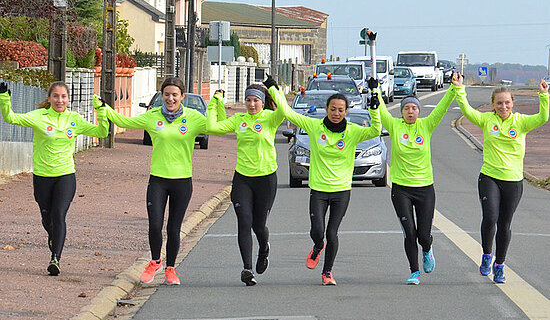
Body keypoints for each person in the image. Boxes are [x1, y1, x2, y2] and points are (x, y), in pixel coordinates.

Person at [97, 77, 221, 286]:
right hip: (158, 180)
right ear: (161, 96)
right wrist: (103, 108)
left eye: (175, 95)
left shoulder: (194, 118)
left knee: (174, 228)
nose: (170, 99)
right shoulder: (152, 117)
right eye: (166, 94)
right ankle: (155, 262)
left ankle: (171, 269)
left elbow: (216, 127)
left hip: (182, 181)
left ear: (182, 96)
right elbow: (123, 121)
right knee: (155, 225)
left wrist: (216, 103)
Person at [267, 76, 381, 286]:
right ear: (327, 109)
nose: (336, 113)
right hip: (318, 190)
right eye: (333, 109)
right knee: (318, 232)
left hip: (341, 191)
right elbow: (288, 113)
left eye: (340, 110)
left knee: (332, 232)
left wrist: (375, 103)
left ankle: (327, 272)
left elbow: (375, 131)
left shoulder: (353, 132)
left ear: (346, 111)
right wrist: (274, 89)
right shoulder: (314, 126)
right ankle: (318, 246)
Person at [0, 81, 109, 276]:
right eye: (56, 96)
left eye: (63, 96)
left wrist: (101, 111)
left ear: (68, 99)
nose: (60, 100)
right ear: (49, 98)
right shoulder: (39, 117)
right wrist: (4, 98)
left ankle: (55, 258)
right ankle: (54, 237)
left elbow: (101, 132)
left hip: (65, 175)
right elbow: (11, 118)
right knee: (47, 218)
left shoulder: (74, 120)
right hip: (42, 177)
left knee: (59, 214)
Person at [453, 72, 549, 283]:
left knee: (504, 224)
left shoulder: (521, 122)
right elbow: (468, 112)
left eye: (507, 103)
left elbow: (543, 118)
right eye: (499, 103)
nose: (503, 106)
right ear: (493, 105)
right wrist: (460, 89)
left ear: (512, 103)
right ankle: (487, 255)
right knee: (490, 218)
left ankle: (500, 265)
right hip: (489, 177)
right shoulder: (487, 120)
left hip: (513, 181)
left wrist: (544, 96)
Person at [374, 77, 456, 285]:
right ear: (401, 111)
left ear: (419, 111)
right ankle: (414, 271)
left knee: (423, 234)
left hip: (424, 188)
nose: (410, 111)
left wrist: (454, 89)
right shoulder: (394, 126)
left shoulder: (426, 125)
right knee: (409, 232)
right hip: (401, 188)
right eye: (406, 108)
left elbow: (442, 107)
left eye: (414, 108)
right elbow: (381, 110)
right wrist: (374, 90)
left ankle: (427, 249)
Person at [206, 83, 284, 286]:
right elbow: (212, 127)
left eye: (256, 100)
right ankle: (247, 269)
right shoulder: (239, 120)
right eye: (248, 100)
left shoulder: (270, 118)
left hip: (266, 178)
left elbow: (284, 110)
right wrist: (215, 102)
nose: (251, 104)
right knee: (244, 220)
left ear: (262, 101)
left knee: (259, 225)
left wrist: (274, 90)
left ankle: (264, 247)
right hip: (242, 178)